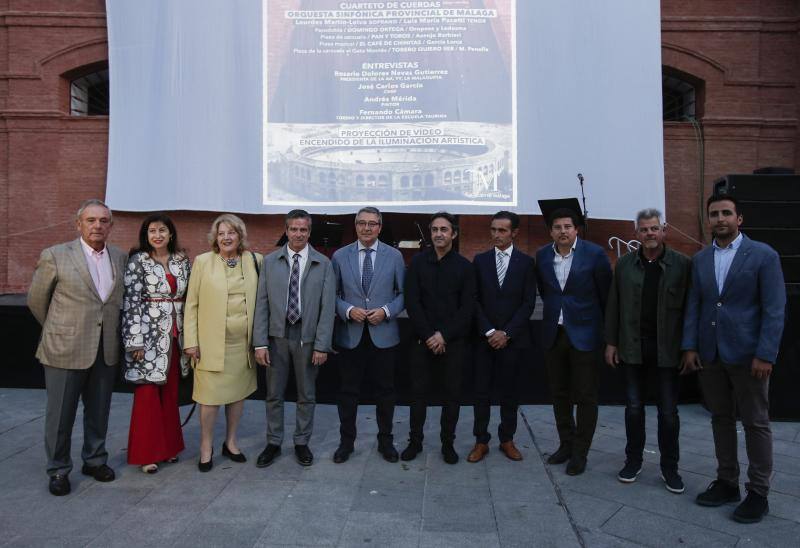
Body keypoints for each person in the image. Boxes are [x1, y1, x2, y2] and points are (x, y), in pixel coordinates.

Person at [682, 194, 786, 523]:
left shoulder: (763, 256)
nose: (720, 219)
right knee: (720, 419)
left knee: (755, 422)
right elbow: (695, 305)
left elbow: (774, 309)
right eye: (714, 214)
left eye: (726, 213)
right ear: (708, 220)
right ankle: (727, 481)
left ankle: (758, 492)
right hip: (711, 354)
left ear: (739, 219)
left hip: (749, 356)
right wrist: (690, 346)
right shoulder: (699, 260)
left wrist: (765, 353)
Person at [27, 199, 127, 496]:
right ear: (78, 224)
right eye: (91, 220)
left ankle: (94, 460)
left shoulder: (120, 257)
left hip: (105, 347)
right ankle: (58, 468)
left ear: (111, 226)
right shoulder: (56, 255)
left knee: (99, 411)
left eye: (103, 221)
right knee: (60, 415)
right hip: (65, 348)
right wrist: (60, 329)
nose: (97, 225)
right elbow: (36, 300)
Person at [604, 208, 690, 493]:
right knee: (633, 409)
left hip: (667, 350)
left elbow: (691, 310)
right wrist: (611, 342)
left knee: (668, 412)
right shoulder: (625, 265)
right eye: (644, 229)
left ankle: (670, 468)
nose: (650, 234)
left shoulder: (682, 265)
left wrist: (690, 347)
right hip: (632, 348)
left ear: (664, 230)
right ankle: (633, 461)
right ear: (636, 233)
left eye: (654, 228)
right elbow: (614, 306)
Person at [253, 209, 336, 468]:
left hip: (308, 338)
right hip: (277, 337)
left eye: (303, 229)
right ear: (286, 231)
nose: (298, 234)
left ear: (309, 232)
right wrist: (260, 342)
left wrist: (322, 345)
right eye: (293, 229)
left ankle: (301, 442)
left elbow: (327, 307)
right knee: (274, 394)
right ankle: (273, 442)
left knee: (306, 394)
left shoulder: (323, 264)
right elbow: (262, 304)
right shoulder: (269, 262)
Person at [535, 207, 612, 475]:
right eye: (557, 227)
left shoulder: (595, 254)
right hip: (554, 335)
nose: (563, 231)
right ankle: (565, 445)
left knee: (586, 396)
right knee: (559, 394)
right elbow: (547, 292)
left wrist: (606, 336)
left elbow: (606, 297)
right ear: (551, 232)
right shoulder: (543, 256)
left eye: (568, 226)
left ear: (576, 229)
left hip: (585, 336)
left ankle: (581, 452)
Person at [183, 214, 262, 472]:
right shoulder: (203, 262)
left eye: (232, 232)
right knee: (209, 399)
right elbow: (191, 305)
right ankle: (206, 446)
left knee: (237, 395)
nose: (226, 237)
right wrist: (191, 341)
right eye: (221, 233)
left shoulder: (255, 261)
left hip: (243, 345)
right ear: (215, 238)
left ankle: (231, 442)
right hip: (209, 345)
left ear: (240, 236)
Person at [331, 207, 405, 463]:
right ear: (355, 226)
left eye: (372, 224)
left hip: (383, 334)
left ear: (380, 227)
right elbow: (333, 294)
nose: (367, 228)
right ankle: (346, 443)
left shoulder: (394, 256)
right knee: (348, 392)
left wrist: (386, 311)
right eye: (362, 223)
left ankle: (386, 441)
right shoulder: (340, 256)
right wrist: (349, 310)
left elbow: (403, 294)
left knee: (385, 391)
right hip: (350, 335)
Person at [402, 212, 476, 464]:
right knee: (417, 395)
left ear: (453, 234)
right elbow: (412, 302)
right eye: (434, 229)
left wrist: (443, 335)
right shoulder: (417, 264)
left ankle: (448, 444)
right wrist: (429, 335)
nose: (438, 234)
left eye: (444, 229)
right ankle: (415, 442)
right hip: (422, 341)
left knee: (452, 395)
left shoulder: (465, 267)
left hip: (453, 343)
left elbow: (467, 308)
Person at [122, 213, 192, 474]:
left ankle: (170, 448)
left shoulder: (182, 260)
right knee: (148, 396)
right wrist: (134, 341)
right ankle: (147, 453)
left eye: (162, 230)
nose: (158, 235)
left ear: (171, 234)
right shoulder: (137, 261)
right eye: (152, 231)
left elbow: (191, 297)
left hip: (176, 337)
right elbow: (131, 303)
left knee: (171, 395)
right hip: (148, 338)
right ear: (146, 235)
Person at [468, 211, 536, 463]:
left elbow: (528, 303)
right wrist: (489, 331)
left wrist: (506, 333)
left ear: (514, 233)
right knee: (481, 393)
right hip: (484, 339)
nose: (496, 234)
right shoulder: (480, 260)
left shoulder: (526, 263)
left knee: (510, 392)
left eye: (502, 230)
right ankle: (481, 441)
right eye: (493, 229)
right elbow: (473, 300)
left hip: (513, 340)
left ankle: (507, 439)